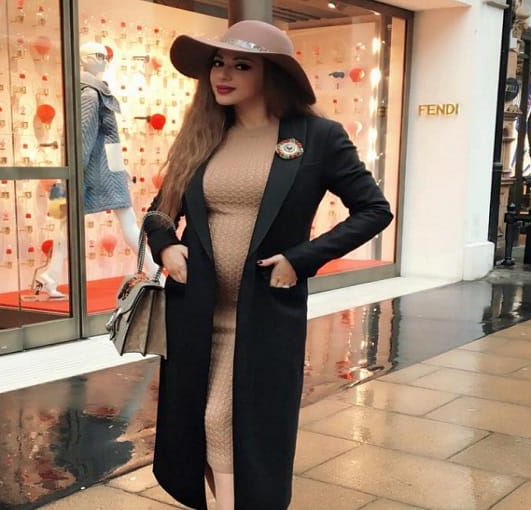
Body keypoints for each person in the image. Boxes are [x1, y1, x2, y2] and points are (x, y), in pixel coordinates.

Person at [145, 20, 393, 510]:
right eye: (219, 63)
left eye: (242, 65)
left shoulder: (317, 137)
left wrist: (301, 260)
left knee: (230, 423)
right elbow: (160, 211)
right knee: (195, 426)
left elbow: (374, 210)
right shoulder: (205, 134)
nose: (223, 74)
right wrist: (165, 246)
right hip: (196, 311)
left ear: (271, 74)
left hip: (262, 314)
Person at [79, 41, 157, 275]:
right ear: (83, 59)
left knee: (68, 223)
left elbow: (107, 138)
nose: (103, 61)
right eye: (98, 55)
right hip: (98, 170)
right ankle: (154, 272)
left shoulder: (97, 91)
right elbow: (83, 138)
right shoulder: (90, 94)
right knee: (128, 221)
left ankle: (50, 275)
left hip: (106, 168)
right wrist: (75, 174)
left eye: (106, 56)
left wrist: (119, 168)